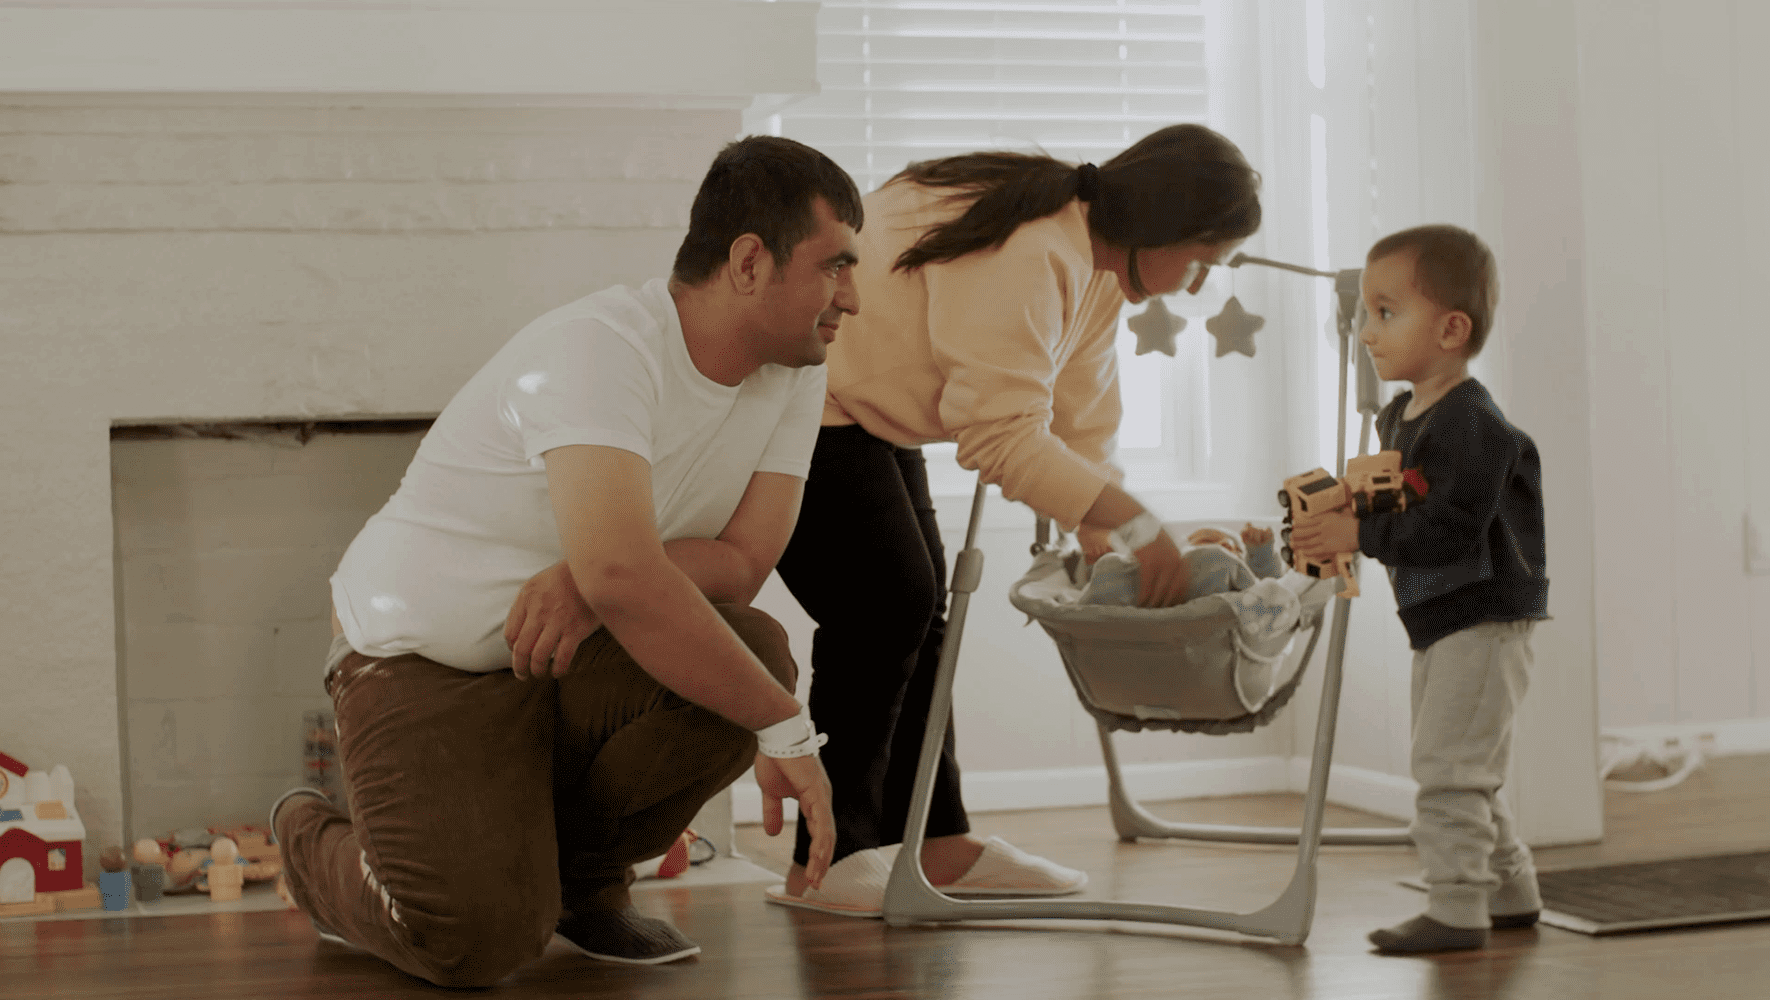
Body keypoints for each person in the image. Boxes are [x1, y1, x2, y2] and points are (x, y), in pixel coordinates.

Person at [270, 136, 862, 985]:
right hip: (420, 658)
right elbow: (622, 573)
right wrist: (784, 725)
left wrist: (600, 577)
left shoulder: (795, 373)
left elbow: (741, 559)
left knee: (752, 648)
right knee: (474, 944)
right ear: (747, 262)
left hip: (568, 658)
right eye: (835, 266)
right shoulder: (602, 347)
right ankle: (309, 842)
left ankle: (581, 883)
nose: (854, 298)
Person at [767, 123, 1264, 915]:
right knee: (887, 610)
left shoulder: (1093, 262)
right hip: (807, 400)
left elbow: (1081, 413)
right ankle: (827, 860)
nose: (1196, 287)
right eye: (1200, 261)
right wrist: (1133, 522)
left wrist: (1100, 523)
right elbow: (997, 432)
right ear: (1164, 226)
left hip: (868, 412)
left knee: (919, 614)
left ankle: (936, 839)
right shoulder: (1037, 245)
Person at [1290, 223, 1550, 954]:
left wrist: (1358, 536)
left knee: (1448, 770)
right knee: (1463, 765)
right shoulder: (1400, 415)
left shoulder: (1475, 426)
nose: (1367, 332)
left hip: (1484, 616)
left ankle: (1457, 908)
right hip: (1439, 617)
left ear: (1451, 329)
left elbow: (1448, 532)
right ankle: (1510, 890)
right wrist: (1341, 512)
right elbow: (1392, 501)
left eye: (1385, 312)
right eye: (1366, 314)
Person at [1079, 523, 1285, 607]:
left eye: (1235, 550)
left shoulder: (1224, 563)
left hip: (1201, 604)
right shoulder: (1186, 560)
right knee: (1110, 565)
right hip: (1155, 589)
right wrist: (1097, 560)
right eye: (1206, 541)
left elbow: (1270, 589)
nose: (1224, 547)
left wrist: (1261, 554)